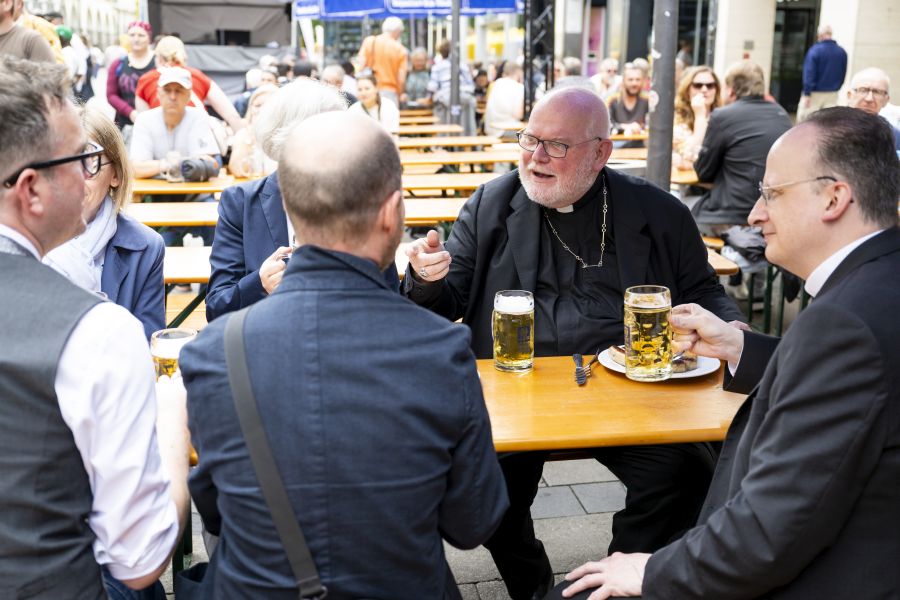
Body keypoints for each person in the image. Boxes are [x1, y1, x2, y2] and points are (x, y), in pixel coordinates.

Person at [403, 86, 743, 600]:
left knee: (683, 471)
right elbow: (447, 297)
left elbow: (703, 290)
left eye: (557, 146)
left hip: (633, 390)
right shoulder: (491, 204)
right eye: (530, 139)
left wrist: (732, 331)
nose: (536, 157)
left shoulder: (657, 211)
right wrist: (426, 277)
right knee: (485, 489)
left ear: (601, 152)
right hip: (520, 391)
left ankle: (615, 581)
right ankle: (533, 584)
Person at [555, 106, 900, 600]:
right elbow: (855, 389)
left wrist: (649, 573)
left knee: (581, 588)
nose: (755, 215)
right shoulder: (877, 286)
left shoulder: (842, 323)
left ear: (834, 197)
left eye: (771, 194)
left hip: (814, 574)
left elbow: (767, 533)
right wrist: (741, 347)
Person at [181, 110, 508, 598]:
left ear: (290, 208)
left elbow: (215, 511)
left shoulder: (215, 351)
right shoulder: (440, 350)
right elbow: (472, 522)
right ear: (390, 211)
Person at [0, 55, 189, 600]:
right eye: (79, 159)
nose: (90, 174)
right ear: (31, 189)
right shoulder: (99, 332)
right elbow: (140, 558)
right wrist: (173, 429)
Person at [206, 78, 400, 322]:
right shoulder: (241, 203)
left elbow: (390, 295)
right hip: (268, 342)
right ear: (288, 139)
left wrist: (423, 278)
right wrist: (259, 283)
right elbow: (216, 308)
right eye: (330, 135)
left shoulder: (363, 196)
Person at [44, 106, 165, 339]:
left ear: (116, 175)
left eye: (90, 163)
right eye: (62, 163)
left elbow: (147, 341)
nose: (74, 179)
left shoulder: (145, 247)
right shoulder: (27, 237)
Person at [692, 60, 792, 234]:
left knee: (675, 206)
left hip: (732, 214)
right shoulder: (781, 114)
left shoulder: (723, 116)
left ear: (730, 90)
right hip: (772, 212)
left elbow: (703, 172)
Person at [134, 36, 244, 133]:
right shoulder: (197, 76)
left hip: (162, 142)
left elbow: (144, 120)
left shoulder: (145, 80)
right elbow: (231, 115)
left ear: (158, 58)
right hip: (199, 139)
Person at [130, 66, 221, 180]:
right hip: (154, 193)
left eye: (179, 91)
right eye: (167, 90)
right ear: (158, 93)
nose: (172, 97)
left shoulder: (199, 117)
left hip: (194, 192)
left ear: (188, 96)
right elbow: (135, 169)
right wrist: (174, 164)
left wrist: (157, 166)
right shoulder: (144, 119)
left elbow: (206, 163)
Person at [106, 21, 156, 130]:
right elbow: (111, 95)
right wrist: (130, 113)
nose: (136, 39)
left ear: (149, 38)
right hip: (126, 124)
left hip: (155, 123)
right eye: (132, 35)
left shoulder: (158, 62)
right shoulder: (118, 63)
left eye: (141, 35)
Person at [672, 65, 722, 170]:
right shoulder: (677, 117)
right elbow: (689, 156)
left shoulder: (722, 116)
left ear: (716, 89)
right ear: (687, 90)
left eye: (710, 85)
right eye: (698, 85)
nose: (704, 89)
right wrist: (700, 116)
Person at [796, 24, 847, 122]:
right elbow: (843, 73)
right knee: (827, 124)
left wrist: (807, 93)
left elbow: (809, 74)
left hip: (814, 94)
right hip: (832, 94)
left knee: (807, 123)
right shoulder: (842, 52)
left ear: (820, 35)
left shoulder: (814, 51)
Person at [227, 83, 279, 178]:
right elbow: (237, 171)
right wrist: (249, 138)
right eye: (257, 105)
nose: (261, 110)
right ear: (251, 109)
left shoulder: (285, 136)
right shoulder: (243, 134)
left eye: (268, 105)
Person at [429, 39, 478, 136]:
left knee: (443, 125)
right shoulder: (462, 65)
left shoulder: (437, 67)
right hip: (465, 99)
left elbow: (432, 87)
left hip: (445, 101)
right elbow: (471, 85)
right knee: (465, 125)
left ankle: (444, 144)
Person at [845, 67, 900, 150]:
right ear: (849, 95)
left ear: (886, 100)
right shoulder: (826, 128)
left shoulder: (894, 136)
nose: (869, 99)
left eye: (877, 92)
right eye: (863, 90)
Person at [357, 16, 408, 105]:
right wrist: (400, 94)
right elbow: (401, 79)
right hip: (390, 92)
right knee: (389, 118)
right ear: (397, 31)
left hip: (370, 90)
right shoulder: (400, 49)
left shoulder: (370, 41)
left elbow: (360, 66)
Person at [605, 63, 649, 134]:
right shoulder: (612, 100)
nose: (634, 83)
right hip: (616, 143)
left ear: (642, 81)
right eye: (630, 80)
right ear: (623, 81)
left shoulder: (647, 100)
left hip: (640, 143)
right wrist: (623, 126)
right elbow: (605, 125)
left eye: (638, 80)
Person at [483, 61, 524, 137]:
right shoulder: (519, 87)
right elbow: (518, 115)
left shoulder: (496, 83)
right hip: (506, 131)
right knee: (532, 139)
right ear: (518, 72)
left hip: (490, 130)